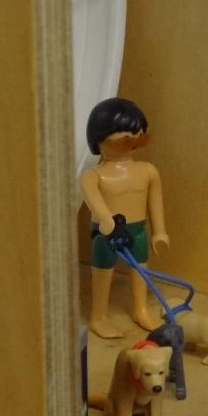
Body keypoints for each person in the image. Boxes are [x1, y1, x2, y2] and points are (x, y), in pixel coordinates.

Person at [81, 98, 169, 336]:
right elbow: (95, 203)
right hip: (107, 234)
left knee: (141, 272)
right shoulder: (93, 176)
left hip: (138, 231)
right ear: (99, 138)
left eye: (137, 133)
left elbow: (155, 202)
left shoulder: (148, 171)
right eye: (124, 135)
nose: (133, 138)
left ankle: (141, 309)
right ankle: (98, 316)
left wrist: (160, 231)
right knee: (103, 273)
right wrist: (105, 219)